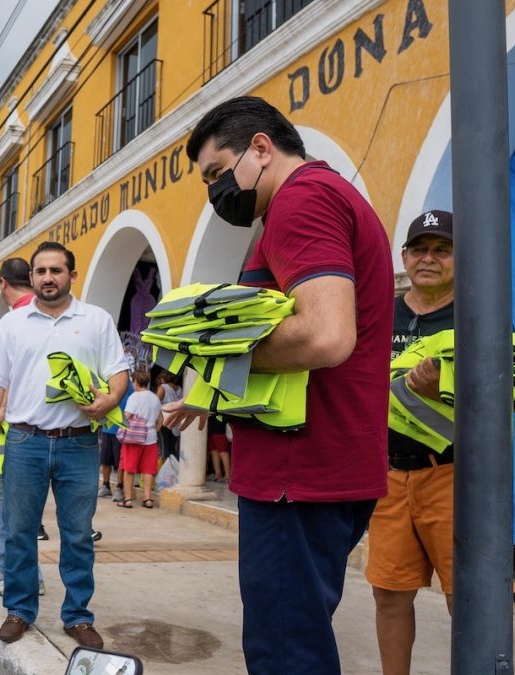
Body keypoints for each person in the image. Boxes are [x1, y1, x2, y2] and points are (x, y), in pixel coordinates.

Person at [164, 96, 393, 674]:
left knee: (285, 652)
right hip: (316, 466)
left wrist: (219, 353)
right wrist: (211, 392)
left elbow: (323, 335)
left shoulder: (302, 200)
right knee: (296, 636)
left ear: (261, 149)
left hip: (300, 472)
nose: (216, 193)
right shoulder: (322, 196)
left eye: (217, 173)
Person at [0, 241, 130, 649]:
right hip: (24, 442)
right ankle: (19, 610)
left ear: (71, 276)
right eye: (40, 271)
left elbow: (119, 372)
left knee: (78, 534)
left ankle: (78, 616)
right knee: (19, 532)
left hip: (79, 444)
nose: (47, 278)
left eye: (56, 271)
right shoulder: (11, 324)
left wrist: (110, 400)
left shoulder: (96, 320)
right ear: (32, 278)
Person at [366, 210, 455, 675]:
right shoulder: (384, 310)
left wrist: (444, 388)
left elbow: (508, 391)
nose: (429, 259)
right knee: (389, 593)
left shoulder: (478, 313)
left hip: (454, 475)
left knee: (469, 598)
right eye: (419, 249)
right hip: (387, 475)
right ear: (404, 256)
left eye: (442, 250)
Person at [0, 258, 47, 592]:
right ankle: (5, 566)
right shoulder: (31, 312)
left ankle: (28, 576)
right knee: (7, 503)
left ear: (3, 283)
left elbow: (15, 374)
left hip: (23, 428)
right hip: (22, 427)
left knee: (19, 509)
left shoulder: (25, 316)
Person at [117, 370, 163, 509]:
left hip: (134, 438)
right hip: (151, 438)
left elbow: (127, 415)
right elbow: (160, 419)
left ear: (135, 381)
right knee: (148, 470)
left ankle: (128, 499)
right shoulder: (155, 397)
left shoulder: (134, 397)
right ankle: (147, 499)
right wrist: (153, 430)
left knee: (129, 469)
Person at [98, 379, 132, 502]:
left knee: (119, 463)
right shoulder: (107, 383)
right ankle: (105, 485)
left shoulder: (130, 385)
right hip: (107, 428)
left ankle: (119, 488)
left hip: (121, 429)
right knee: (105, 460)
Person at [155, 371, 182, 460]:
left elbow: (155, 404)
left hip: (164, 420)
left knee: (164, 446)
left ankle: (164, 469)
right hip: (176, 421)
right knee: (173, 447)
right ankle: (172, 467)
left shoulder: (163, 388)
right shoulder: (179, 389)